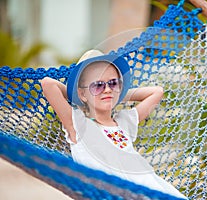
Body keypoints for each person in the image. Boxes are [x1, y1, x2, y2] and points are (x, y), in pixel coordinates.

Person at [41, 50, 187, 199]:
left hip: (152, 189)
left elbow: (157, 92)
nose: (107, 89)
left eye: (113, 83)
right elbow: (48, 84)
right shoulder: (78, 124)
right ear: (82, 93)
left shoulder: (124, 122)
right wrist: (80, 97)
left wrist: (117, 95)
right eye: (97, 85)